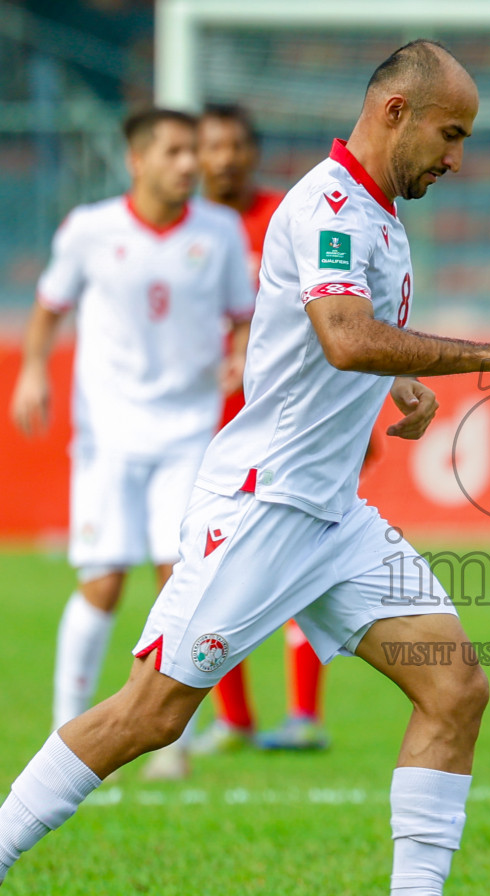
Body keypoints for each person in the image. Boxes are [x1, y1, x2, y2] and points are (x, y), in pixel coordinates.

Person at [0, 39, 490, 896]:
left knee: (455, 686)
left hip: (332, 516)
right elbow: (345, 338)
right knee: (153, 715)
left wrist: (404, 395)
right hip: (264, 506)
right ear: (395, 112)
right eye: (451, 133)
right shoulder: (332, 206)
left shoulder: (383, 216)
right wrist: (486, 353)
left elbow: (331, 349)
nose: (458, 158)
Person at [10, 108, 252, 756]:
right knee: (104, 581)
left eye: (192, 152)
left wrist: (241, 352)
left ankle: (174, 738)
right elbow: (49, 305)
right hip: (108, 434)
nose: (189, 164)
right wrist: (33, 369)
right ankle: (65, 730)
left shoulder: (221, 231)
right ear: (137, 160)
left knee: (183, 579)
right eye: (174, 151)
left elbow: (242, 317)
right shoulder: (91, 230)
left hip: (187, 433)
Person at [187, 102, 332, 759]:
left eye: (237, 144)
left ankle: (304, 713)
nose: (226, 157)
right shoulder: (185, 232)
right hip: (202, 427)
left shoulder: (290, 215)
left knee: (297, 557)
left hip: (288, 421)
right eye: (213, 145)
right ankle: (236, 719)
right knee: (212, 569)